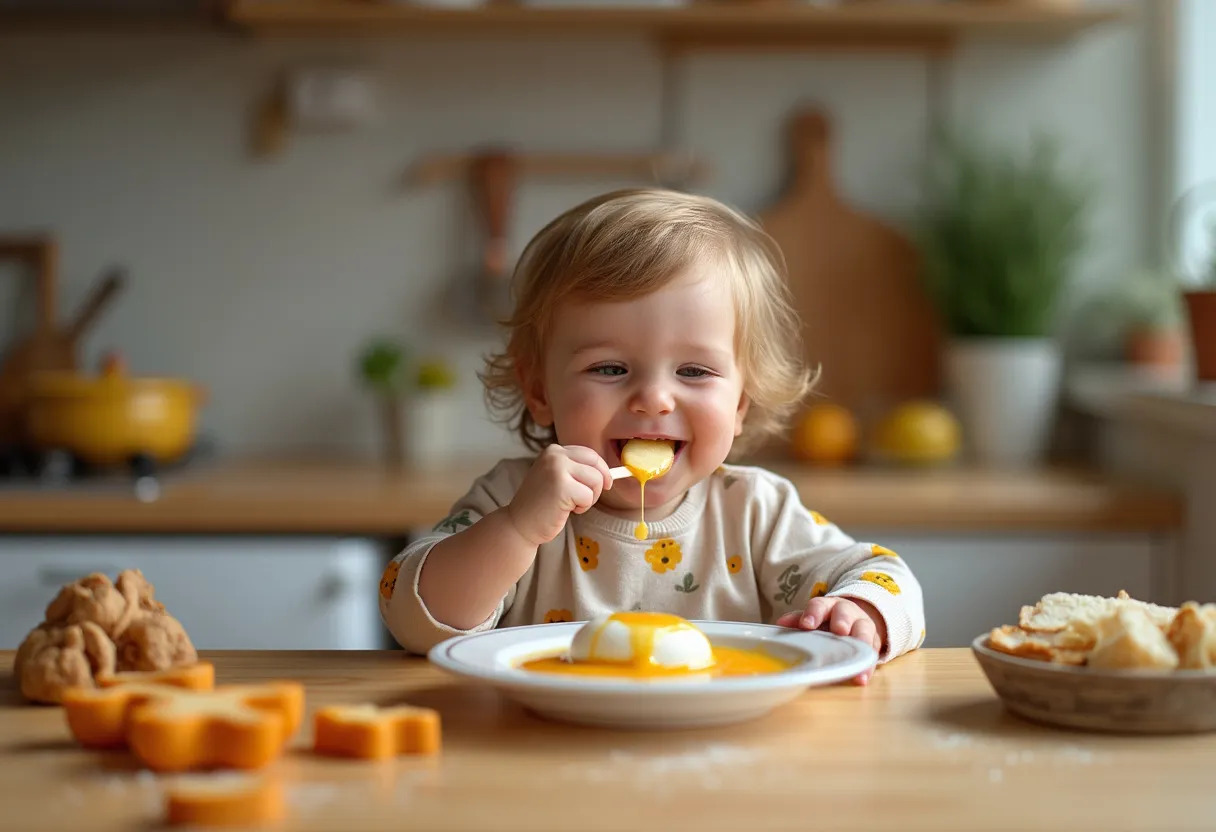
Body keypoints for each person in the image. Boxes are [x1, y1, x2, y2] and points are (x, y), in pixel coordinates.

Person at [379, 188, 925, 684]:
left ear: (740, 403)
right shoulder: (513, 499)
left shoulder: (755, 511)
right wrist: (518, 529)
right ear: (539, 388)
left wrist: (863, 611)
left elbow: (884, 574)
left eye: (694, 372)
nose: (654, 399)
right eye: (610, 369)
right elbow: (413, 615)